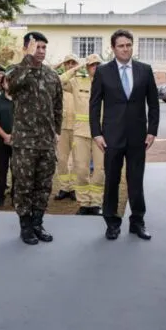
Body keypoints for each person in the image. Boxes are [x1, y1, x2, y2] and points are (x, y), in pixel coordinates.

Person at [89, 29, 159, 241]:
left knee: (136, 180)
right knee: (111, 180)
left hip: (138, 137)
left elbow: (153, 104)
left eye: (128, 45)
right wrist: (97, 134)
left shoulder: (145, 70)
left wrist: (152, 131)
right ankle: (111, 222)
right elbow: (94, 105)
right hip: (111, 137)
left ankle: (137, 222)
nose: (125, 49)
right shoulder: (103, 72)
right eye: (121, 46)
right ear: (113, 49)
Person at [9, 31, 62, 245]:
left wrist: (56, 132)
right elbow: (11, 87)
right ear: (26, 49)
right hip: (24, 142)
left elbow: (58, 107)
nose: (40, 52)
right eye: (36, 47)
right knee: (23, 185)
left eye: (43, 48)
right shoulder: (17, 72)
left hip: (46, 142)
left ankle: (38, 223)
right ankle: (26, 227)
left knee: (43, 185)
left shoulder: (52, 76)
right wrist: (27, 61)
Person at [60, 53, 104, 215]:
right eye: (92, 65)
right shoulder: (78, 82)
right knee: (81, 169)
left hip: (101, 134)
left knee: (99, 170)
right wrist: (76, 67)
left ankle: (96, 203)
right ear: (87, 67)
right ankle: (84, 203)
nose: (95, 68)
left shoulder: (107, 84)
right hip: (80, 132)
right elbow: (59, 82)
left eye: (98, 65)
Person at [53, 55, 77, 201]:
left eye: (73, 63)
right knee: (62, 159)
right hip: (61, 127)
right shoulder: (58, 81)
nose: (70, 65)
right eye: (67, 63)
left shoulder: (82, 81)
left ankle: (74, 187)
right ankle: (64, 187)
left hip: (77, 127)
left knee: (77, 160)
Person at [0, 71, 15, 207]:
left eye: (11, 81)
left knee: (17, 170)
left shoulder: (20, 100)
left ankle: (15, 196)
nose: (8, 83)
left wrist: (15, 136)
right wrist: (5, 136)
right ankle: (0, 196)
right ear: (2, 83)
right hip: (1, 141)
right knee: (2, 169)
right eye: (6, 81)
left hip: (18, 141)